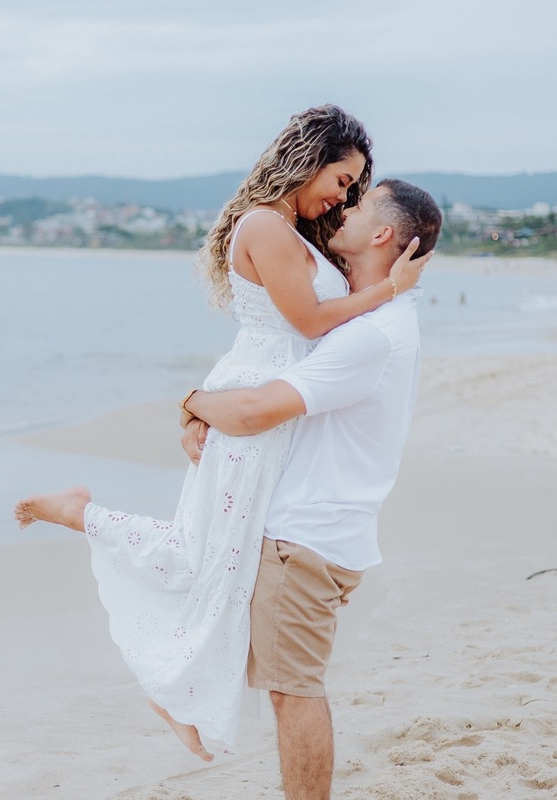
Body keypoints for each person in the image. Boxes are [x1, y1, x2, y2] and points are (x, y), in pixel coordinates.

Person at [14, 105, 428, 760]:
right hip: (256, 401)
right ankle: (98, 549)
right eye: (341, 179)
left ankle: (171, 678)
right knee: (212, 555)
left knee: (218, 556)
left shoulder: (298, 230)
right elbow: (313, 322)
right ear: (309, 159)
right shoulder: (265, 224)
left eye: (353, 188)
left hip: (271, 403)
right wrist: (390, 291)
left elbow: (323, 322)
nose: (343, 195)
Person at [176, 179, 442, 799]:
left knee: (294, 692)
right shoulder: (377, 318)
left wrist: (188, 402)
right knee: (281, 681)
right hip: (322, 533)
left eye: (360, 203)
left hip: (306, 539)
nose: (344, 209)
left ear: (381, 234)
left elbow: (253, 412)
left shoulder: (371, 334)